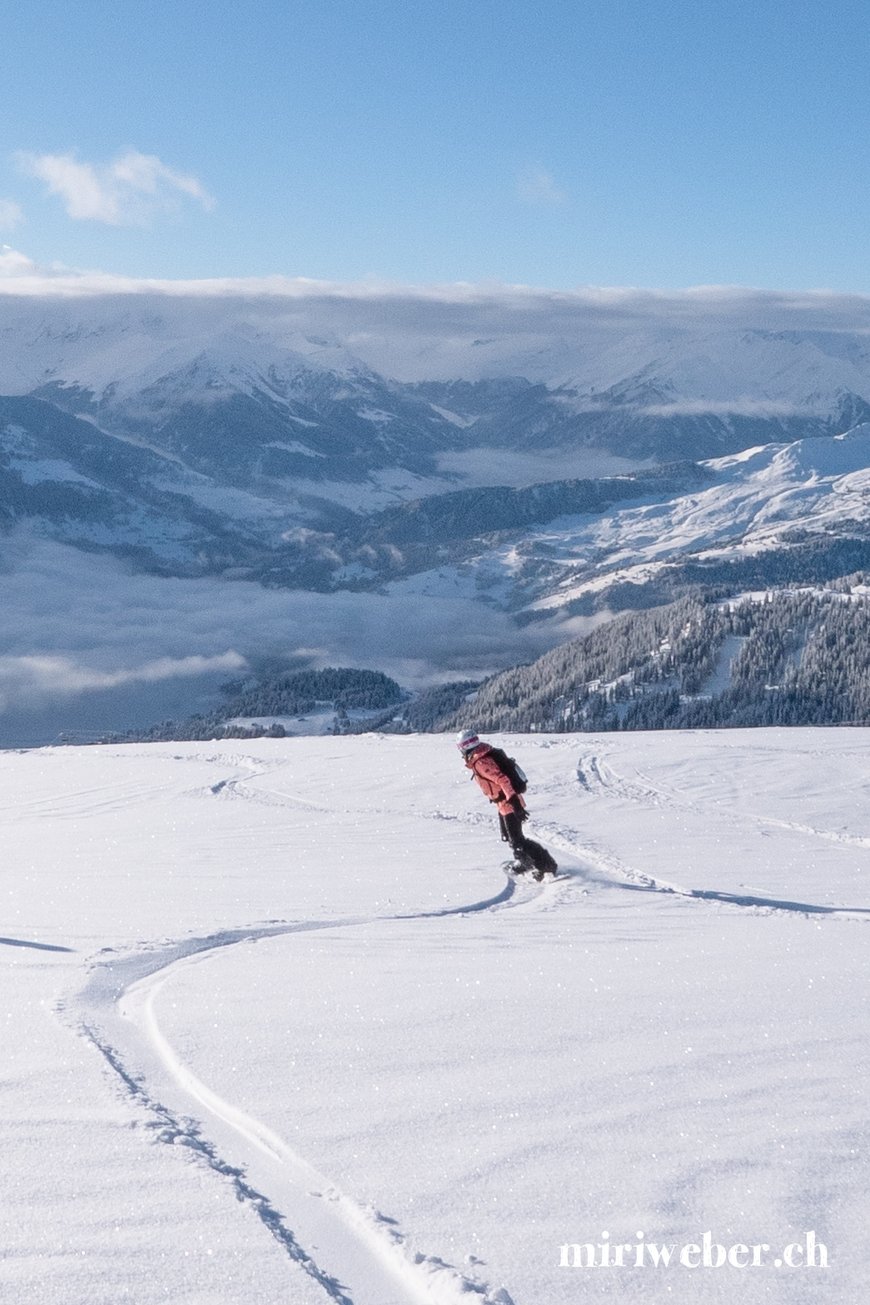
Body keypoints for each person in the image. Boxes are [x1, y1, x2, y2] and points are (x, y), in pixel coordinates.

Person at [456, 729, 558, 880]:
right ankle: (530, 862)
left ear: (464, 746)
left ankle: (543, 866)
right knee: (511, 838)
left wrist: (515, 804)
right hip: (504, 803)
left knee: (517, 841)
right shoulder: (482, 755)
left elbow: (503, 780)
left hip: (509, 803)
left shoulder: (481, 762)